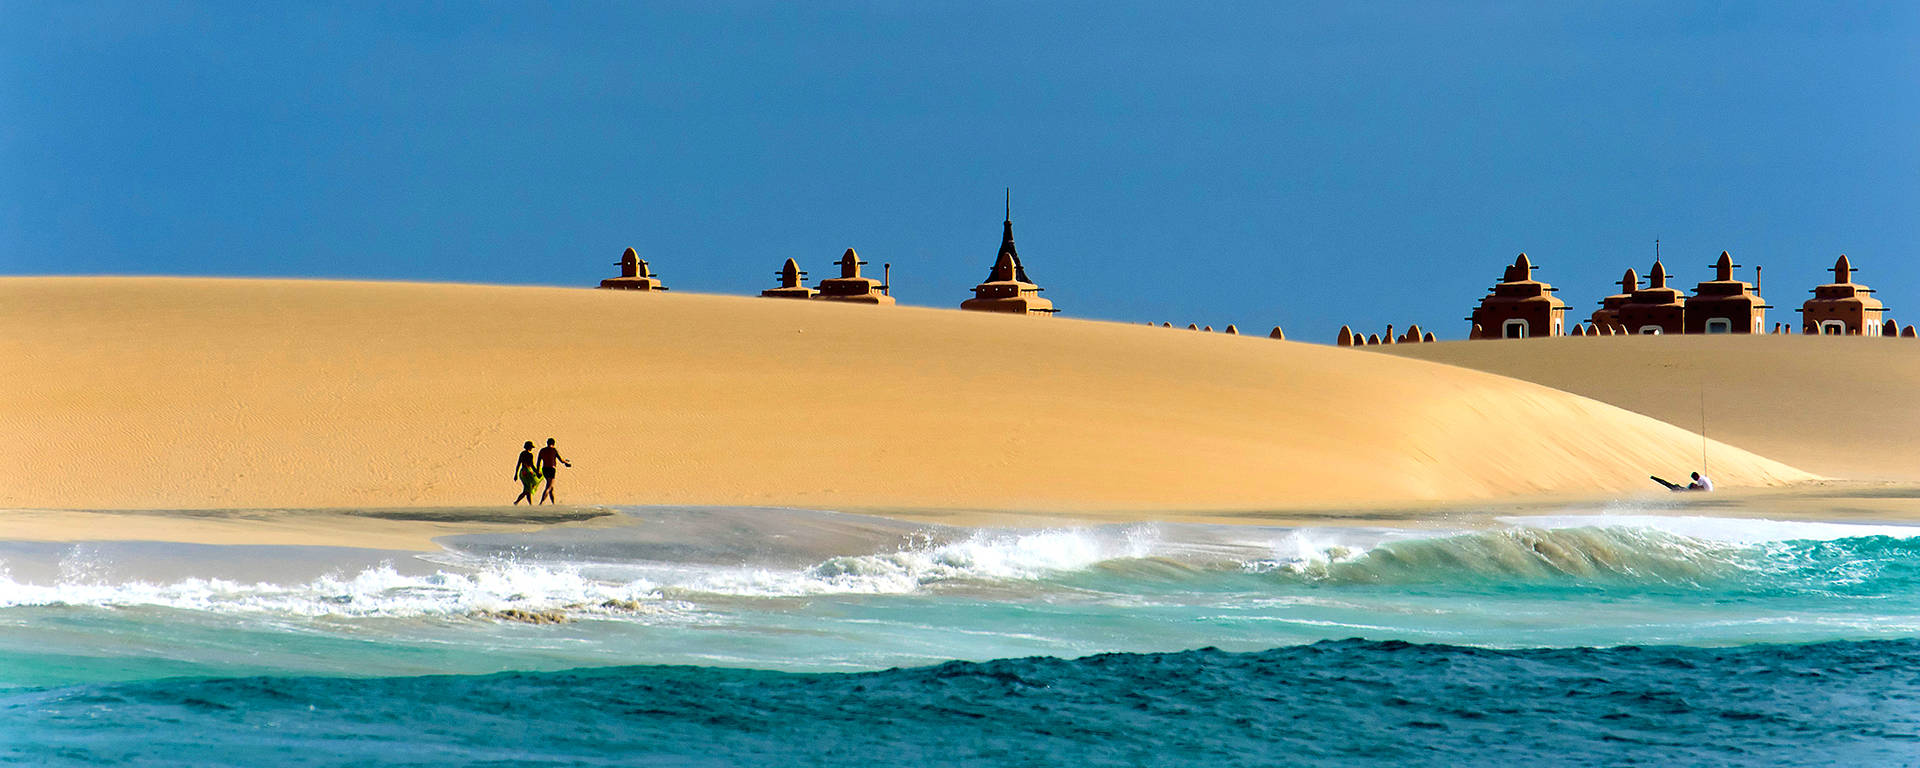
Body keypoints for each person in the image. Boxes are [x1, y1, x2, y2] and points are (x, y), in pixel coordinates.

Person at [537, 438, 572, 505]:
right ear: (554, 443)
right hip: (551, 469)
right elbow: (561, 460)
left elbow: (538, 462)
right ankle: (541, 503)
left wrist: (538, 471)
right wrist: (566, 462)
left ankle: (553, 503)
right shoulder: (554, 450)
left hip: (544, 469)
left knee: (551, 487)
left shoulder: (542, 450)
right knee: (549, 487)